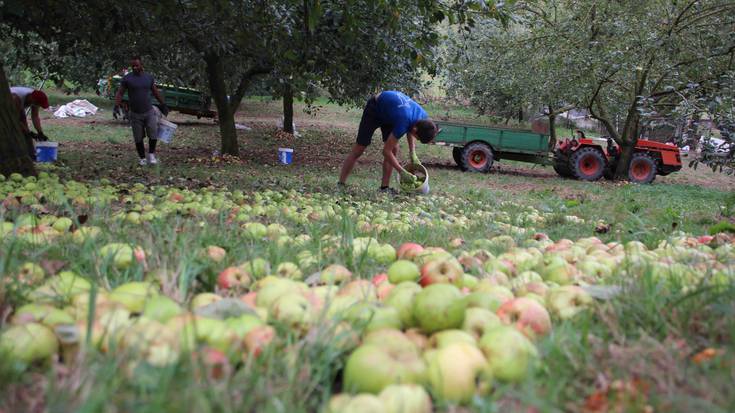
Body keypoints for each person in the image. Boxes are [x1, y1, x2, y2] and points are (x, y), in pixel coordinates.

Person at [339, 91, 438, 192]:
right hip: (375, 108)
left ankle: (384, 188)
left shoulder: (423, 118)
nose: (416, 139)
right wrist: (401, 172)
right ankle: (341, 184)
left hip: (391, 114)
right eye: (418, 138)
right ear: (415, 130)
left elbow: (411, 129)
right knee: (359, 148)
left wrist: (412, 152)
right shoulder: (403, 122)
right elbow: (386, 151)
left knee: (394, 149)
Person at [115, 56, 169, 166]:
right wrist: (116, 105)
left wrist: (163, 104)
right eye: (133, 66)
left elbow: (155, 92)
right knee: (138, 137)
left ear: (141, 65)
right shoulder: (127, 79)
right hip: (135, 113)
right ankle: (142, 158)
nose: (134, 67)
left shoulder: (148, 77)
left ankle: (151, 155)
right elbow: (120, 93)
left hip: (149, 111)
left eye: (136, 65)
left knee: (153, 134)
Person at [10, 86, 50, 160]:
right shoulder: (15, 98)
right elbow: (15, 120)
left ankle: (31, 154)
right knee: (19, 130)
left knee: (26, 132)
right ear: (32, 99)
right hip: (7, 106)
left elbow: (35, 116)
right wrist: (30, 133)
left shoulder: (34, 98)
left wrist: (40, 132)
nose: (36, 105)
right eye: (36, 103)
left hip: (19, 106)